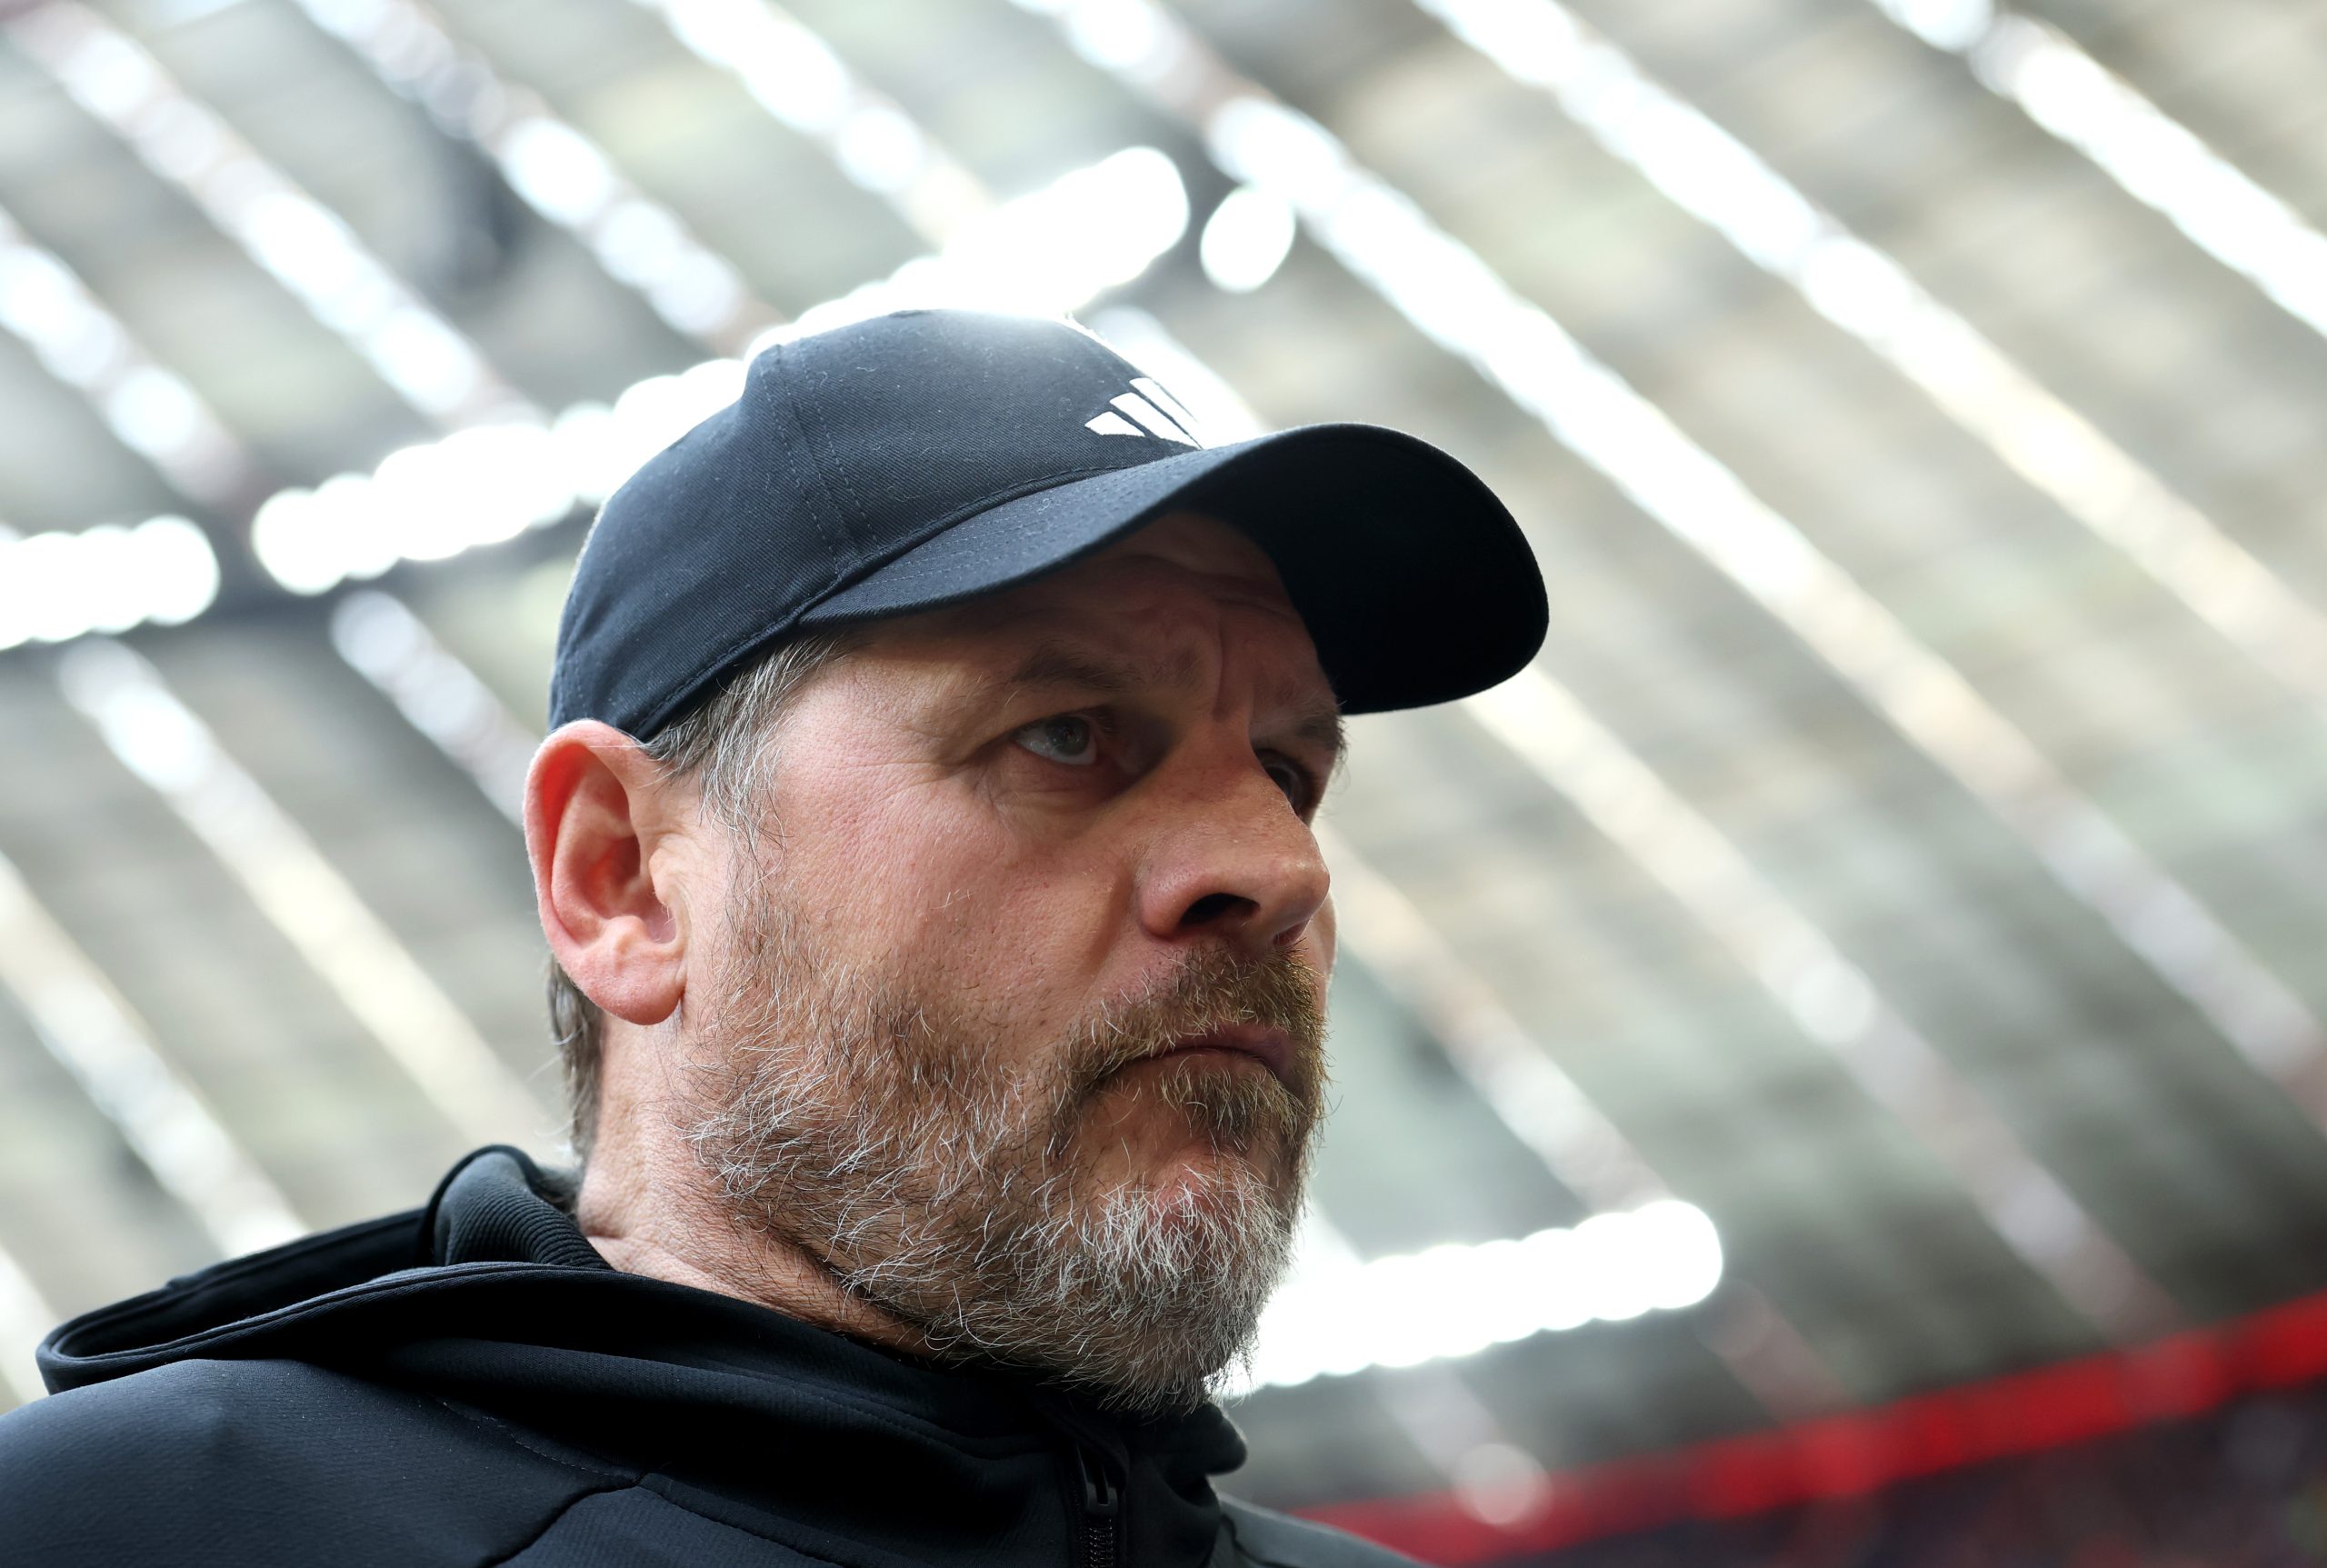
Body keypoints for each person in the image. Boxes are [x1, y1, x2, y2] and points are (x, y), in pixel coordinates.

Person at [0, 310, 1546, 1565]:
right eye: (1068, 734)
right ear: (624, 879)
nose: (1278, 867)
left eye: (1288, 770)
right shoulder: (126, 1532)